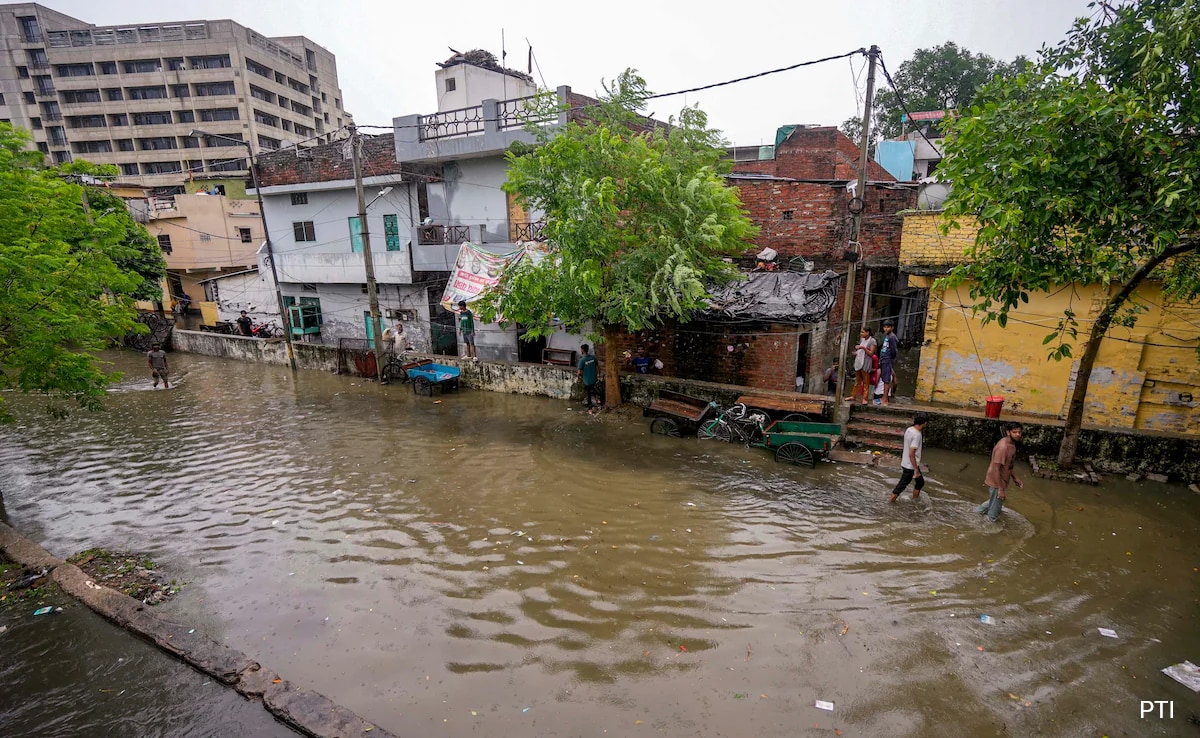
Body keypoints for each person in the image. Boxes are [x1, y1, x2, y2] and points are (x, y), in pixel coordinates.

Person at [977, 422, 1024, 522]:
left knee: (994, 501)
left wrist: (1015, 477)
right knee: (994, 512)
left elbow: (1008, 465)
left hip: (1002, 480)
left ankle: (975, 513)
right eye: (1014, 432)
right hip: (997, 481)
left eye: (1019, 432)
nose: (1018, 434)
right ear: (1008, 432)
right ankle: (990, 528)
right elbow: (996, 468)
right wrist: (1000, 489)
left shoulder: (1012, 444)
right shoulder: (1003, 447)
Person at [889, 413, 928, 502]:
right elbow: (911, 453)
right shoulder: (917, 435)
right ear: (924, 423)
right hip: (910, 466)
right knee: (900, 487)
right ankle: (890, 502)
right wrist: (916, 469)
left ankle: (915, 500)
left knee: (920, 482)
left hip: (906, 462)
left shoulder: (909, 429)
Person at [851, 327, 877, 405]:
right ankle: (853, 395)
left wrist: (862, 347)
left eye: (862, 332)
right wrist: (856, 352)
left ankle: (865, 399)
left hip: (866, 363)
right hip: (859, 362)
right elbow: (860, 351)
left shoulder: (872, 341)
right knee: (857, 381)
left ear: (867, 332)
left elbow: (871, 353)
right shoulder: (862, 340)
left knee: (866, 382)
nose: (861, 334)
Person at [879, 319, 900, 406]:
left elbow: (894, 351)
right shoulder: (887, 336)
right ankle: (886, 396)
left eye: (888, 327)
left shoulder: (892, 337)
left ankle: (885, 399)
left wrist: (890, 359)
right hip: (884, 359)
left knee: (886, 379)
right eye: (884, 327)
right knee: (885, 378)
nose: (886, 329)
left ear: (892, 328)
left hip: (887, 360)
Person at [577, 343, 600, 412]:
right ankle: (598, 399)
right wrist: (599, 374)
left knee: (588, 393)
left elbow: (579, 371)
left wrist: (578, 377)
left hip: (587, 380)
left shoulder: (582, 360)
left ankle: (590, 409)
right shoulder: (593, 358)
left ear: (582, 350)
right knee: (593, 389)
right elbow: (598, 366)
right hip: (594, 378)